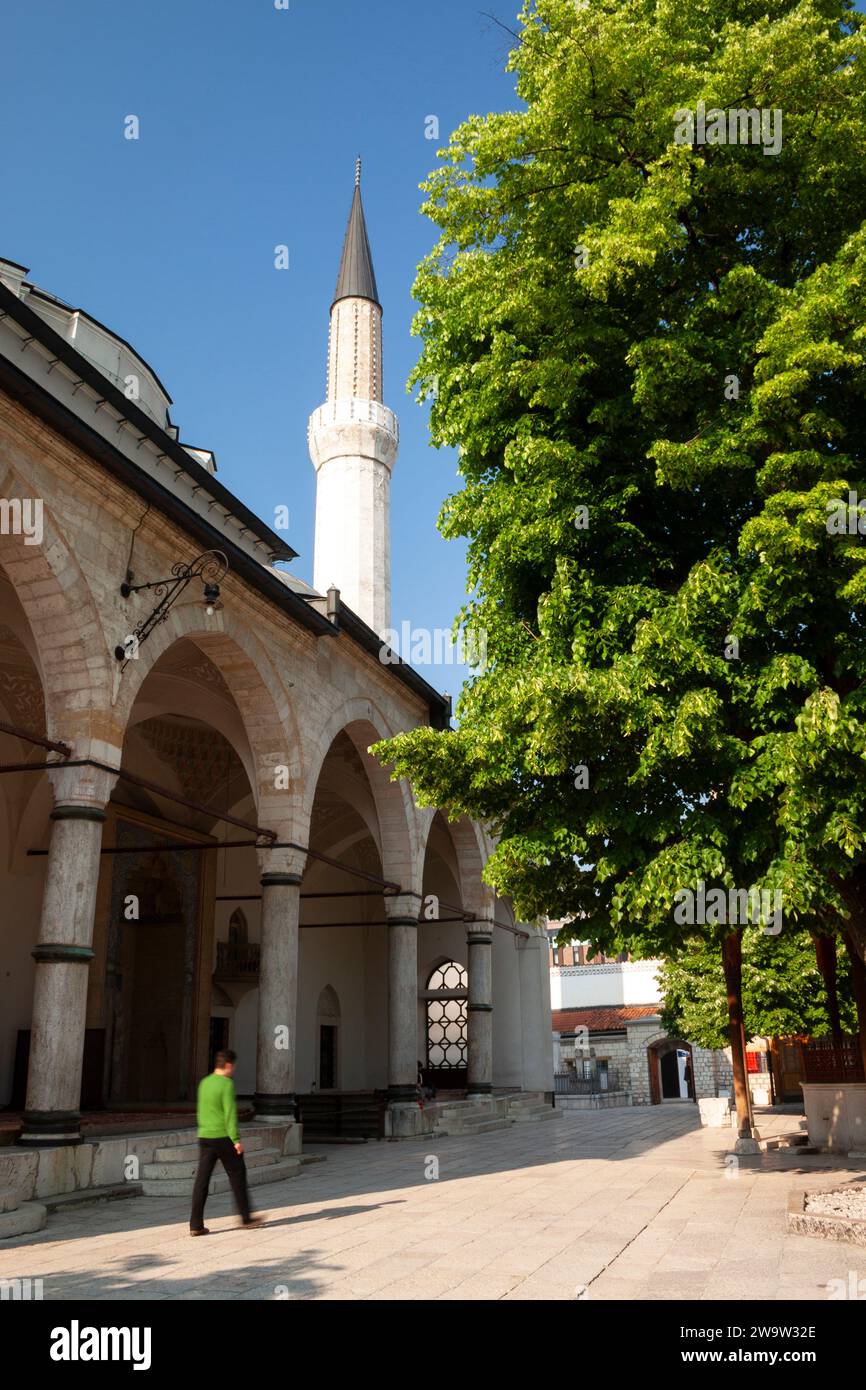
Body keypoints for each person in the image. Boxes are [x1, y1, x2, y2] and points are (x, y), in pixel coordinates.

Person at [189, 1049, 262, 1236]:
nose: (234, 1070)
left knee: (202, 1180)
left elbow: (201, 1110)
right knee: (237, 1175)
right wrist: (236, 1140)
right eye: (234, 1066)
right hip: (223, 1136)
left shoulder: (204, 1083)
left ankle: (196, 1224)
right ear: (229, 1065)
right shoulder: (226, 1084)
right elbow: (230, 1115)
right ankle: (246, 1218)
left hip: (205, 1136)